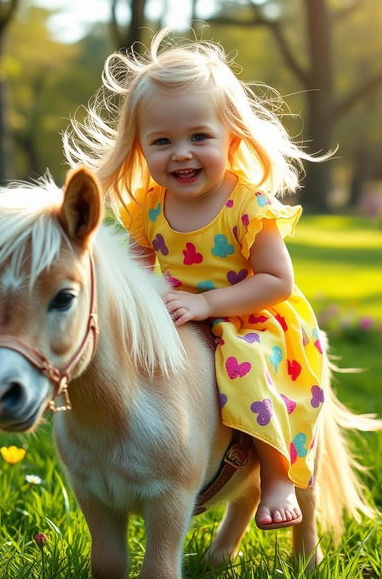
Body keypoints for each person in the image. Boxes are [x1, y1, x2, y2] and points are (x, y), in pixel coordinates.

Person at [64, 30, 329, 530]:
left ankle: (276, 476)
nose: (181, 153)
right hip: (181, 310)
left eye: (199, 137)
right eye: (162, 142)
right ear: (140, 148)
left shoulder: (248, 205)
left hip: (252, 316)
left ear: (231, 136)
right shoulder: (149, 206)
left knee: (245, 368)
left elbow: (278, 280)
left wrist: (209, 306)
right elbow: (141, 271)